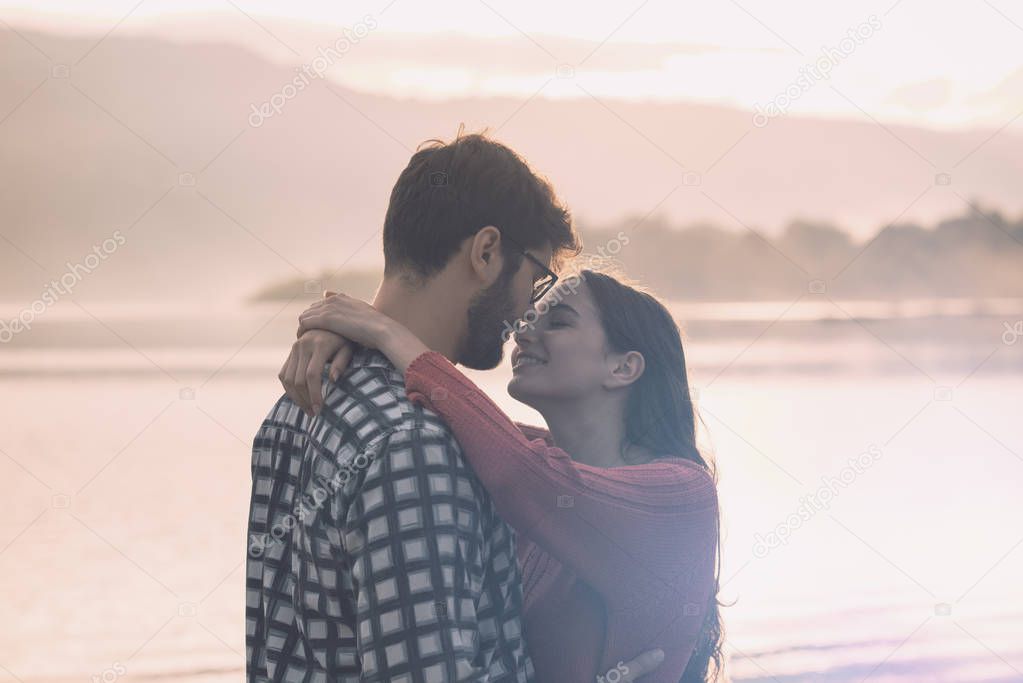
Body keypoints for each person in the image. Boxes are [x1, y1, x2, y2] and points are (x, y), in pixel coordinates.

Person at [246, 132, 582, 681]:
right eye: (537, 278)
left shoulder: (293, 411)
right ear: (487, 252)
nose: (529, 310)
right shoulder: (415, 443)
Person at [281, 266, 725, 682]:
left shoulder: (679, 493)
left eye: (559, 322)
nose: (523, 332)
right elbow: (443, 419)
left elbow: (518, 471)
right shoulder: (523, 459)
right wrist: (343, 340)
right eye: (531, 317)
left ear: (623, 367)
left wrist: (383, 330)